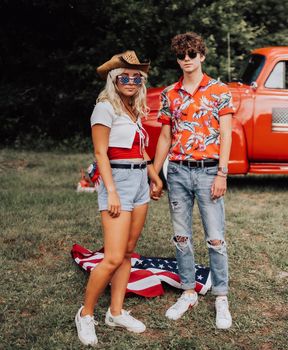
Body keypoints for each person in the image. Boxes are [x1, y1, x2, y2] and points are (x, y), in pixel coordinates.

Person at [75, 51, 163, 346]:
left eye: (136, 77)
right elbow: (101, 153)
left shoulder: (133, 109)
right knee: (112, 256)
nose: (130, 81)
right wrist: (110, 190)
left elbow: (139, 150)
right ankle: (86, 314)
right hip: (118, 181)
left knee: (126, 252)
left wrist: (152, 174)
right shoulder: (104, 107)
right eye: (124, 76)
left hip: (139, 180)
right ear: (114, 79)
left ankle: (115, 311)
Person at [153, 32, 234, 329]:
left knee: (215, 237)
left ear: (201, 55)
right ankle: (188, 291)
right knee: (181, 236)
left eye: (191, 54)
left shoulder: (219, 90)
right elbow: (165, 135)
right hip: (177, 171)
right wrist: (155, 172)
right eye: (181, 55)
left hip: (209, 170)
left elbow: (226, 135)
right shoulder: (169, 94)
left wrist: (222, 173)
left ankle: (221, 296)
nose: (186, 59)